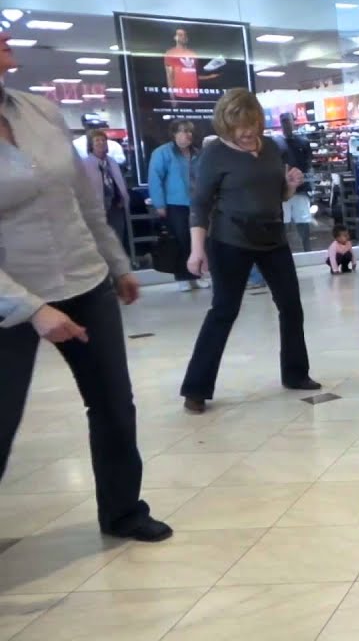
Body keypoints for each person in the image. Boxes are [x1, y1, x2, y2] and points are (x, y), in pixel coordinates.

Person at [0, 33, 172, 542]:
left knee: (114, 404)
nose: (5, 37)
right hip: (10, 298)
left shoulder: (41, 112)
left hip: (83, 277)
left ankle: (123, 511)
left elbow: (85, 199)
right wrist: (33, 308)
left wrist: (118, 263)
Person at [180, 89, 320, 413]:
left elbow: (278, 195)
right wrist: (196, 250)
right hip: (230, 240)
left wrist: (291, 185)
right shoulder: (214, 154)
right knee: (224, 311)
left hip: (273, 237)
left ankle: (296, 374)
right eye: (238, 127)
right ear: (226, 126)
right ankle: (196, 388)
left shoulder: (270, 147)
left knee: (291, 307)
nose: (246, 132)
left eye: (251, 124)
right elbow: (200, 204)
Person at [149, 120, 208, 291]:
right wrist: (159, 204)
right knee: (181, 240)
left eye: (190, 131)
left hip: (196, 203)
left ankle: (197, 274)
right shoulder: (162, 153)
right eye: (183, 131)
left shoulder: (197, 153)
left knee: (196, 241)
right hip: (175, 204)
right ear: (174, 134)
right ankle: (183, 276)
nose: (187, 135)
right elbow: (155, 179)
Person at [81, 129, 131, 253]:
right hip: (97, 209)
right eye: (97, 140)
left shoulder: (112, 162)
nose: (101, 143)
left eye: (103, 140)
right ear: (91, 144)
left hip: (116, 207)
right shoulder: (84, 165)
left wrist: (123, 198)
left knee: (118, 238)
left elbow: (120, 182)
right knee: (100, 242)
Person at [274, 113, 314, 252]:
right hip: (283, 189)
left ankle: (307, 251)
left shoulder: (303, 142)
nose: (287, 124)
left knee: (303, 221)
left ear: (294, 122)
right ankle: (283, 252)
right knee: (283, 222)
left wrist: (310, 183)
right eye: (284, 121)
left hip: (301, 188)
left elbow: (309, 164)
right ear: (281, 123)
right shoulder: (275, 142)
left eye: (289, 121)